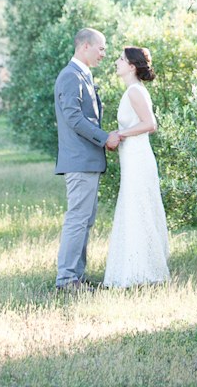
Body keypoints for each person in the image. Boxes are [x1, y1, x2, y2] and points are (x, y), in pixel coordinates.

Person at [54, 27, 120, 291]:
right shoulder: (71, 76)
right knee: (77, 219)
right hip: (79, 160)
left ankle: (76, 277)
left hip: (88, 160)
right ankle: (67, 279)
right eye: (101, 48)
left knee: (85, 220)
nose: (104, 53)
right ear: (85, 46)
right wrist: (104, 138)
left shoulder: (83, 74)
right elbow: (73, 118)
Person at [103, 46, 170, 288]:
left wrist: (120, 133)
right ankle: (134, 270)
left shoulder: (134, 91)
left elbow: (150, 124)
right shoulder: (133, 91)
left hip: (138, 157)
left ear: (132, 66)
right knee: (133, 208)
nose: (116, 62)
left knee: (137, 207)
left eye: (121, 59)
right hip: (131, 157)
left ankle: (143, 272)